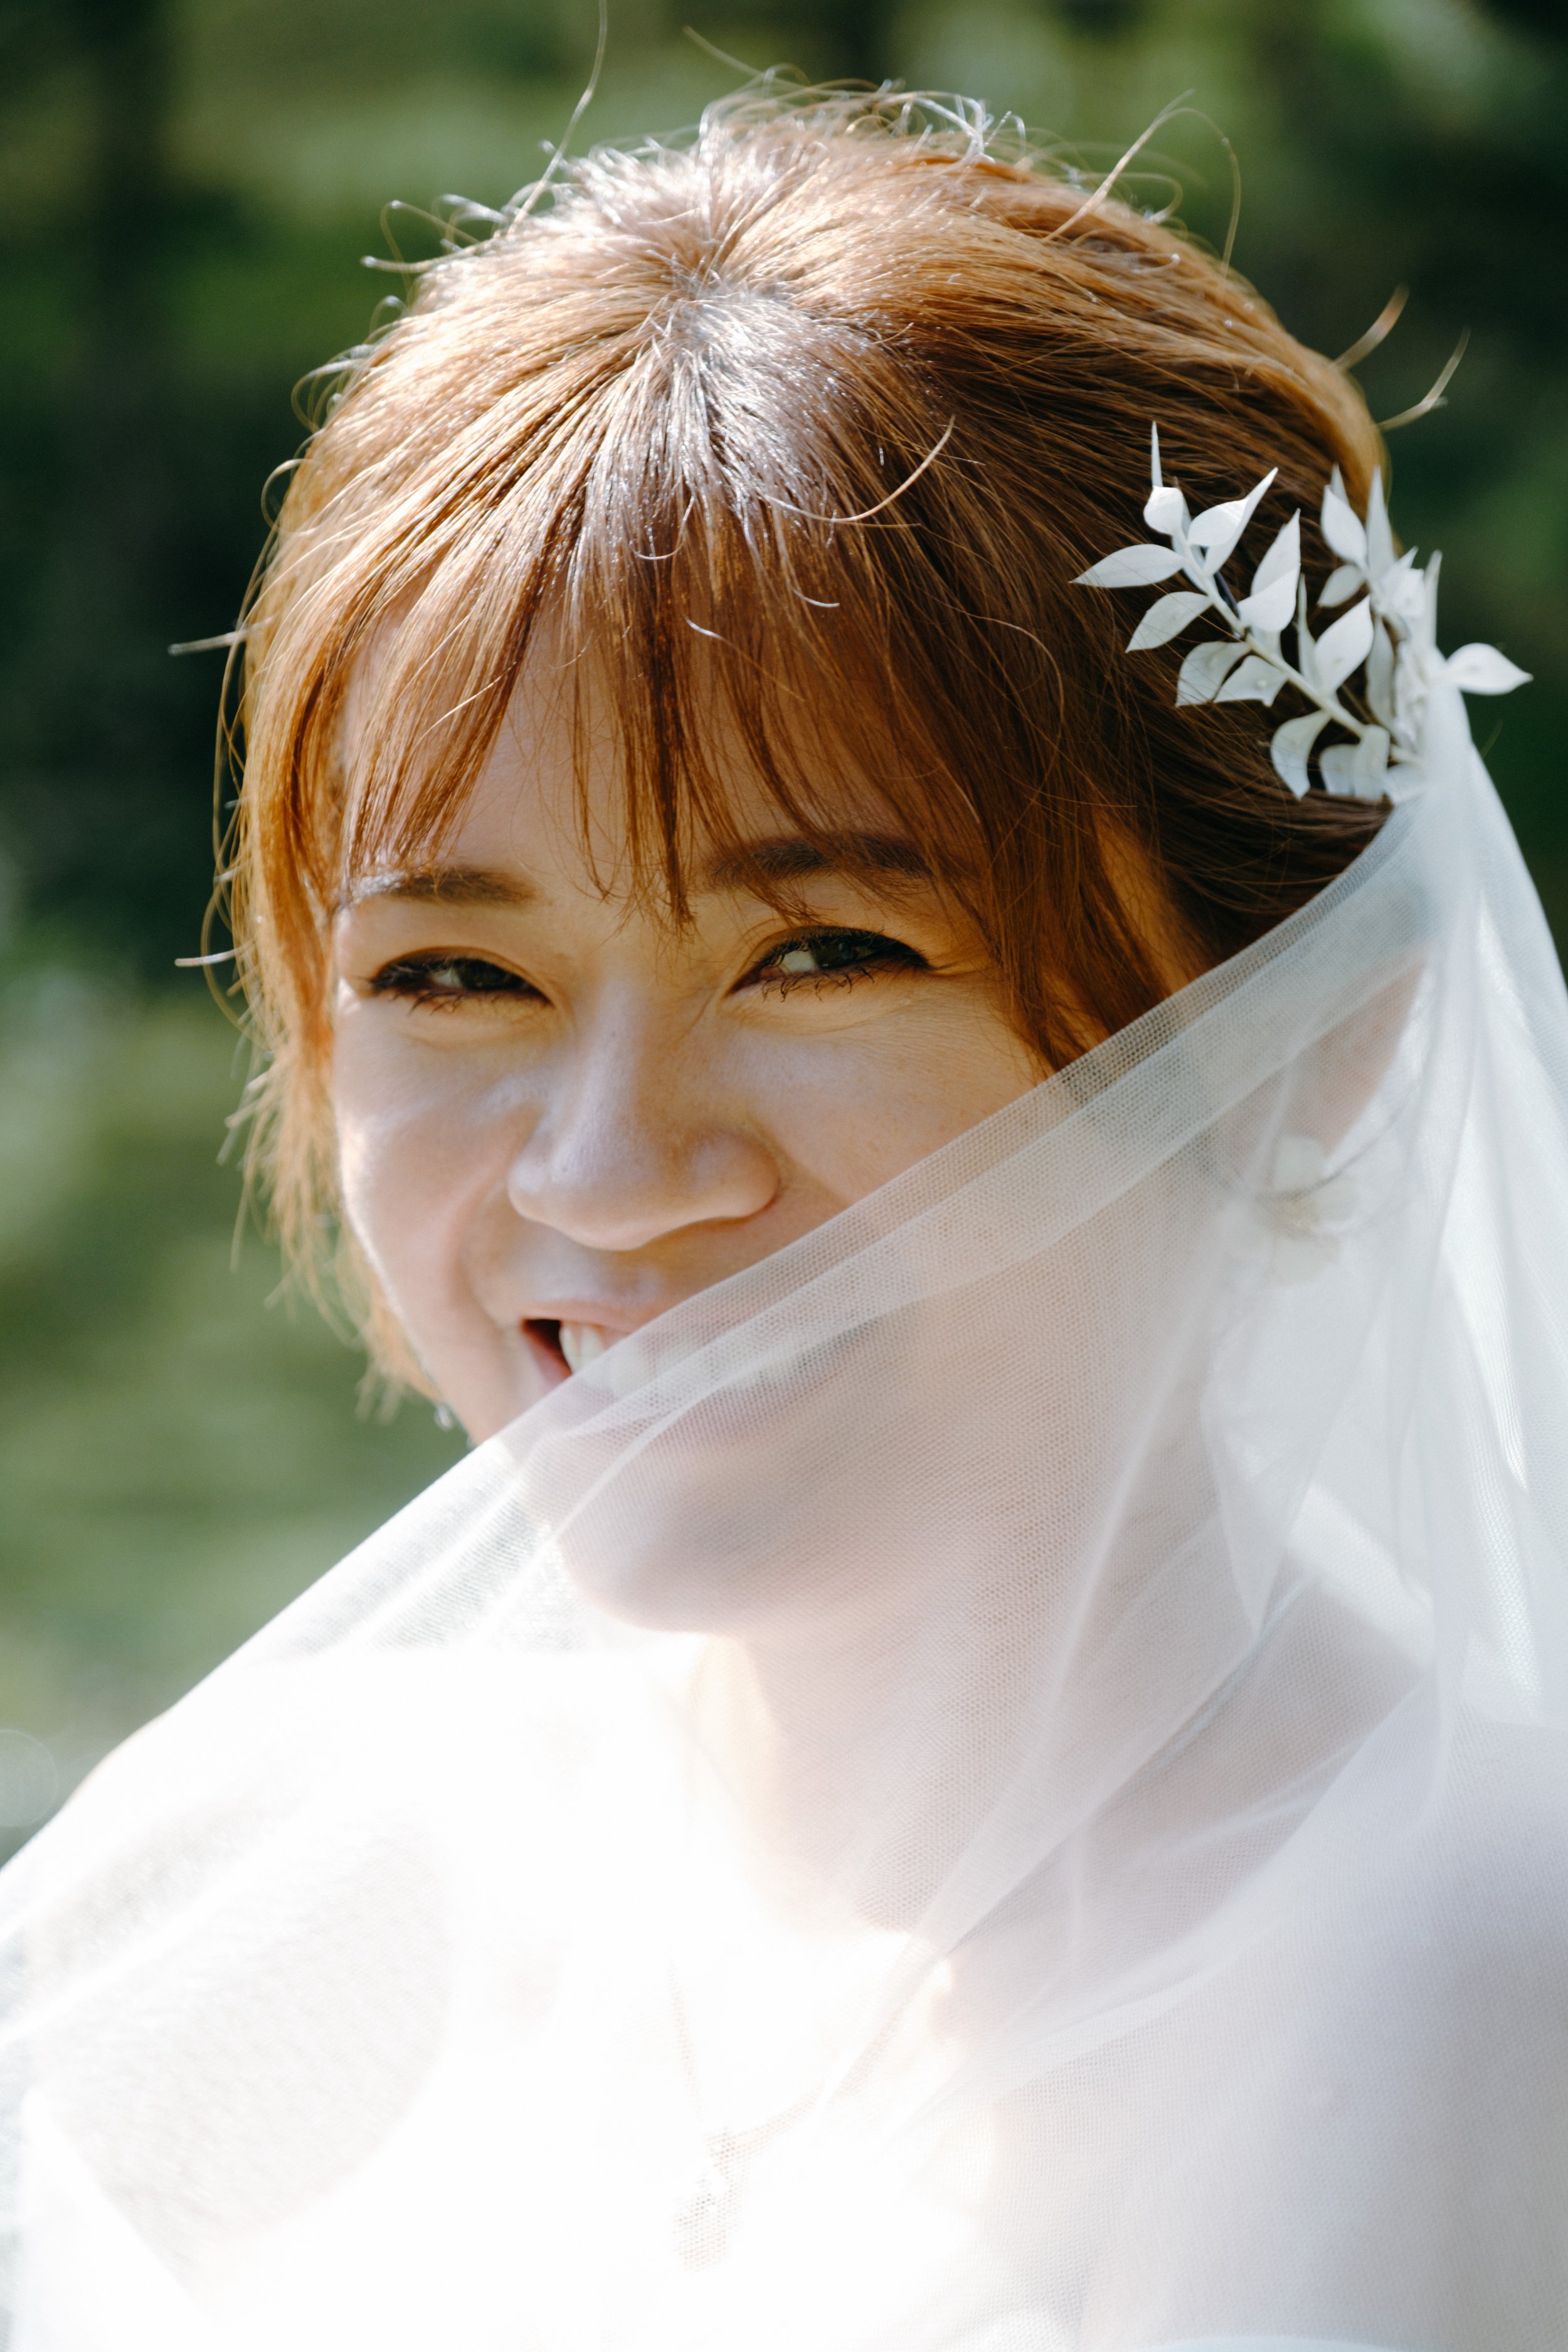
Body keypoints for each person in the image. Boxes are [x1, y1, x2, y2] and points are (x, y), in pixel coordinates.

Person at [0, 90, 1559, 2352]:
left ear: (1310, 1029)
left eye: (823, 954)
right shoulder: (295, 1875)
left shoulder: (1454, 1978)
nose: (602, 1170)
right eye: (457, 975)